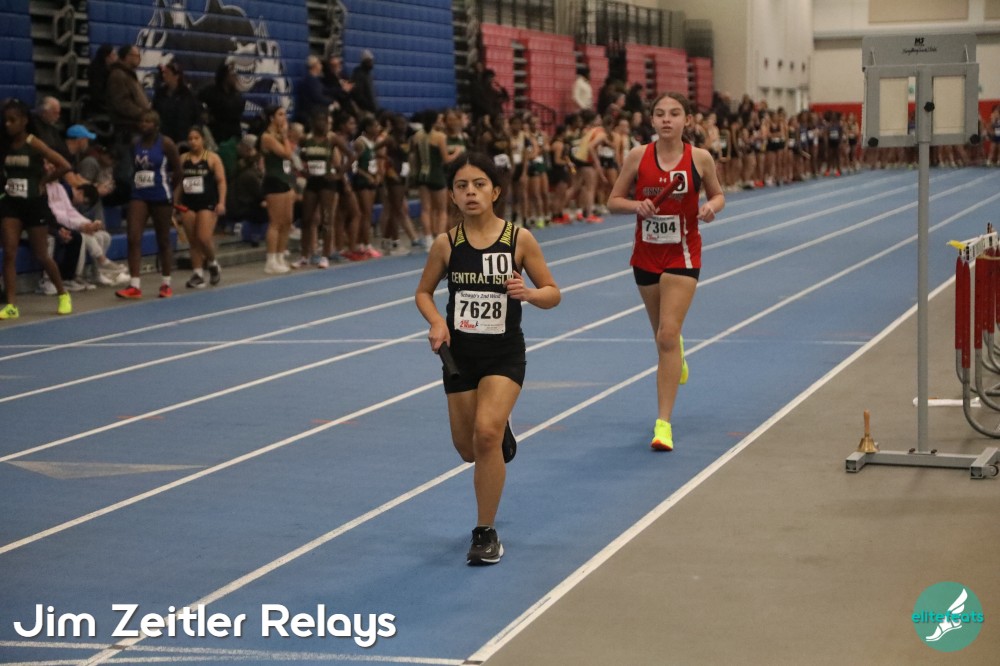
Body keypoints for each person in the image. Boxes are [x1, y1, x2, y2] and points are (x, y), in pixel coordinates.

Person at [414, 151, 561, 565]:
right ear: (452, 196)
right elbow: (423, 292)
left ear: (495, 192)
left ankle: (485, 532)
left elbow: (553, 292)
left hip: (503, 355)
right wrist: (436, 322)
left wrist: (530, 293)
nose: (471, 192)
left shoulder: (519, 239)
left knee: (485, 433)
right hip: (459, 357)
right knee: (468, 449)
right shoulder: (446, 244)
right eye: (462, 186)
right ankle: (498, 433)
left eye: (479, 184)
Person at [607, 92, 725, 452]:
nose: (666, 119)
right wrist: (636, 206)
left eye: (674, 113)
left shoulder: (699, 158)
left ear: (686, 120)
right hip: (646, 255)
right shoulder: (638, 156)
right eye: (660, 114)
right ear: (652, 120)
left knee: (667, 335)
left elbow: (718, 195)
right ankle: (676, 350)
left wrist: (711, 208)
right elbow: (612, 202)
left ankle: (663, 425)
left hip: (683, 254)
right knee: (662, 336)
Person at [0, 99, 74, 320]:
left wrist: (43, 181)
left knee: (41, 254)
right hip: (11, 203)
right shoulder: (4, 144)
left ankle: (63, 294)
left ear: (24, 121)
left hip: (34, 203)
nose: (7, 124)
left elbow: (65, 165)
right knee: (9, 252)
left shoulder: (34, 143)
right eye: (5, 120)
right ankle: (11, 305)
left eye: (12, 120)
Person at [114, 110, 182, 299]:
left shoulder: (166, 144)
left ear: (156, 125)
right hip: (139, 194)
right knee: (133, 237)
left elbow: (178, 170)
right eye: (141, 121)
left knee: (163, 240)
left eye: (148, 121)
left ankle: (166, 283)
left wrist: (170, 189)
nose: (143, 124)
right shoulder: (135, 143)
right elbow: (135, 168)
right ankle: (134, 285)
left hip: (160, 195)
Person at [175, 126, 225, 288]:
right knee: (193, 241)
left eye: (196, 138)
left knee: (203, 238)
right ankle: (197, 274)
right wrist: (175, 203)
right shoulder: (183, 159)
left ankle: (212, 263)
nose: (193, 142)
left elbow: (221, 181)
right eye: (190, 139)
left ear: (203, 139)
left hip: (207, 203)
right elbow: (180, 183)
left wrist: (221, 202)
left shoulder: (212, 158)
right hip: (188, 204)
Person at [258, 105, 297, 274]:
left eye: (285, 114)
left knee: (287, 221)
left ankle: (280, 256)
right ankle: (271, 259)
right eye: (280, 114)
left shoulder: (280, 136)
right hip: (274, 181)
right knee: (276, 222)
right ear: (271, 118)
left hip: (285, 179)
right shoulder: (267, 137)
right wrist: (285, 136)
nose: (284, 117)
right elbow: (287, 153)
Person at [153, 61, 203, 146]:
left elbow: (196, 116)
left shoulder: (187, 94)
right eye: (163, 73)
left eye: (167, 73)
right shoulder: (160, 93)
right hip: (163, 137)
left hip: (182, 138)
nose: (164, 76)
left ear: (176, 76)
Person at [350, 50, 378, 115]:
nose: (372, 63)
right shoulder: (359, 74)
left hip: (371, 109)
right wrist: (369, 106)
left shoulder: (368, 74)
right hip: (364, 110)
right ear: (364, 62)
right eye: (369, 61)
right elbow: (358, 95)